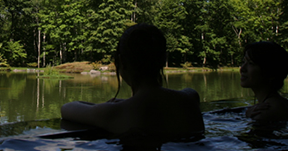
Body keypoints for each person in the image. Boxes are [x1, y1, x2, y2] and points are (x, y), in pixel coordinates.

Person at [60, 24, 204, 138]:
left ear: (122, 63)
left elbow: (67, 108)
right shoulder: (190, 100)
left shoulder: (117, 113)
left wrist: (114, 105)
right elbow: (191, 92)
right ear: (161, 60)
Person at [240, 41, 288, 121]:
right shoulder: (283, 103)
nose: (242, 69)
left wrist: (248, 117)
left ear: (270, 72)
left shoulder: (264, 113)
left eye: (251, 63)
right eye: (244, 62)